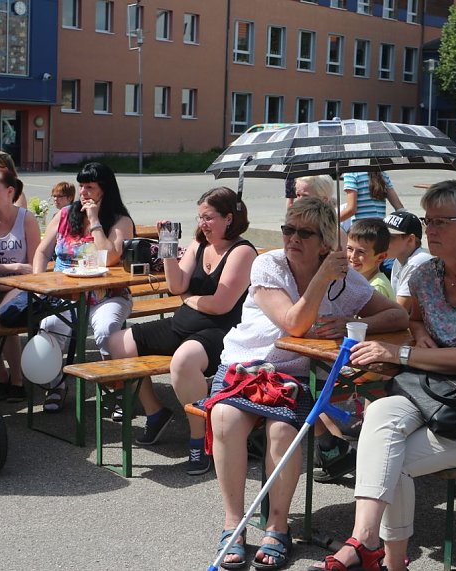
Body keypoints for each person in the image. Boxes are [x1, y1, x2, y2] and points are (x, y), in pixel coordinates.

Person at [310, 180, 456, 571]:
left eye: (442, 221)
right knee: (379, 417)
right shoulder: (426, 276)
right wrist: (421, 331)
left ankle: (382, 557)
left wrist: (398, 351)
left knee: (389, 460)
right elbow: (410, 318)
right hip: (434, 395)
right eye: (428, 220)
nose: (430, 229)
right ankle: (367, 543)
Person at [210, 197, 408, 570]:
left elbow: (398, 315)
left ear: (325, 243)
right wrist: (321, 279)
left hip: (294, 374)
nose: (292, 238)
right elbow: (295, 324)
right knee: (224, 417)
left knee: (283, 433)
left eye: (304, 232)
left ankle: (277, 525)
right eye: (288, 229)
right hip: (245, 366)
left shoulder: (344, 278)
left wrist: (351, 316)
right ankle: (233, 524)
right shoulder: (268, 265)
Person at [107, 187, 257, 475]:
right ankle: (155, 412)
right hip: (182, 325)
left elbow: (220, 305)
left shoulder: (243, 252)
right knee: (118, 343)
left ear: (229, 218)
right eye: (199, 217)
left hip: (219, 332)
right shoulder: (199, 245)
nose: (202, 223)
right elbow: (175, 286)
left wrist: (189, 299)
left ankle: (200, 440)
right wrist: (167, 245)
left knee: (184, 361)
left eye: (208, 218)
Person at [30, 163, 135, 413]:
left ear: (105, 190)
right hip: (67, 295)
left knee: (107, 329)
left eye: (90, 187)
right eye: (81, 186)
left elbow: (110, 258)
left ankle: (117, 388)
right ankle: (56, 385)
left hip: (108, 295)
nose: (83, 192)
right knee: (47, 327)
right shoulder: (65, 214)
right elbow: (42, 251)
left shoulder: (121, 220)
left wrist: (95, 220)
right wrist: (38, 283)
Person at [0, 169, 41, 403]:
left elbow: (35, 264)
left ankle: (17, 380)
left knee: (4, 318)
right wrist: (12, 267)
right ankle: (0, 376)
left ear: (10, 191)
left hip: (20, 286)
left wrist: (15, 273)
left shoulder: (27, 218)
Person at [382, 211, 431, 313]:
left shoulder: (417, 263)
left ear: (410, 240)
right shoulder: (398, 261)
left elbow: (398, 312)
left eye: (390, 237)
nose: (382, 241)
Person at [346, 218, 395, 300]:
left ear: (381, 257)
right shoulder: (360, 281)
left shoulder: (376, 288)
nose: (353, 256)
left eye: (361, 252)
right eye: (349, 248)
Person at [340, 171, 404, 223]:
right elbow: (400, 208)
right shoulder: (382, 174)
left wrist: (333, 221)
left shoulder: (352, 173)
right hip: (380, 228)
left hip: (361, 228)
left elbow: (351, 209)